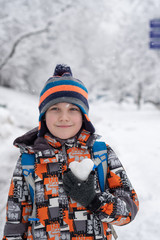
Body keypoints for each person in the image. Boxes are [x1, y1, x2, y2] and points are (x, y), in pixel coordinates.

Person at [3, 64, 139, 240]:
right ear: (44, 116)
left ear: (84, 116)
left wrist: (95, 200)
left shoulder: (100, 154)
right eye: (55, 109)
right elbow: (15, 221)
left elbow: (128, 211)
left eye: (73, 109)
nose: (64, 117)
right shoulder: (30, 158)